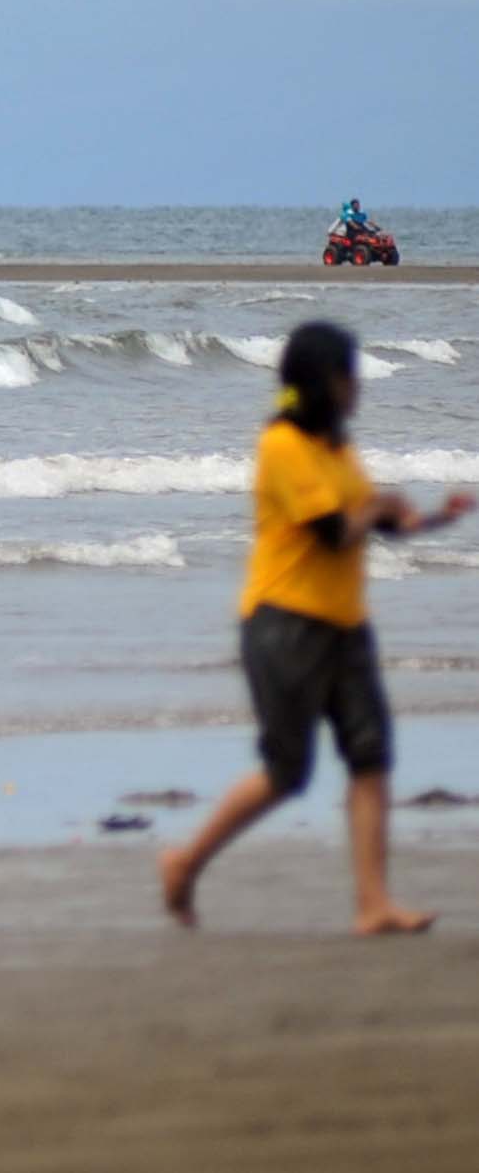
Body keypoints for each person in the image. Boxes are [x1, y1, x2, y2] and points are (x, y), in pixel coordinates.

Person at [159, 322, 471, 934]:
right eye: (349, 374)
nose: (358, 386)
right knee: (288, 772)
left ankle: (373, 903)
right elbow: (333, 531)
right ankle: (185, 863)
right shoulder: (282, 447)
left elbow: (375, 525)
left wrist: (434, 518)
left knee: (370, 757)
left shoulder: (336, 447)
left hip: (346, 624)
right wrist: (379, 505)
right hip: (284, 626)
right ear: (327, 381)